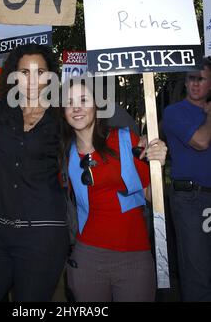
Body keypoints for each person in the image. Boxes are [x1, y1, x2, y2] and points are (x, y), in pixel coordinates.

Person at [0, 5, 68, 302]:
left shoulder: (63, 116)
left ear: (51, 78)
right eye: (24, 72)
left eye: (40, 72)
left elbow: (97, 138)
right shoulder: (4, 111)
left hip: (43, 237)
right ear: (14, 77)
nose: (32, 79)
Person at [61, 78, 167, 302]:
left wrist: (158, 163)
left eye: (83, 100)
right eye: (69, 102)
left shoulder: (125, 140)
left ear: (96, 106)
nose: (77, 107)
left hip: (134, 257)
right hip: (87, 258)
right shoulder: (63, 154)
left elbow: (152, 196)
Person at [162, 58, 211, 302]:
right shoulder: (174, 112)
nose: (194, 83)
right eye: (190, 77)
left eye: (200, 78)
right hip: (190, 199)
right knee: (196, 273)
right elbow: (201, 142)